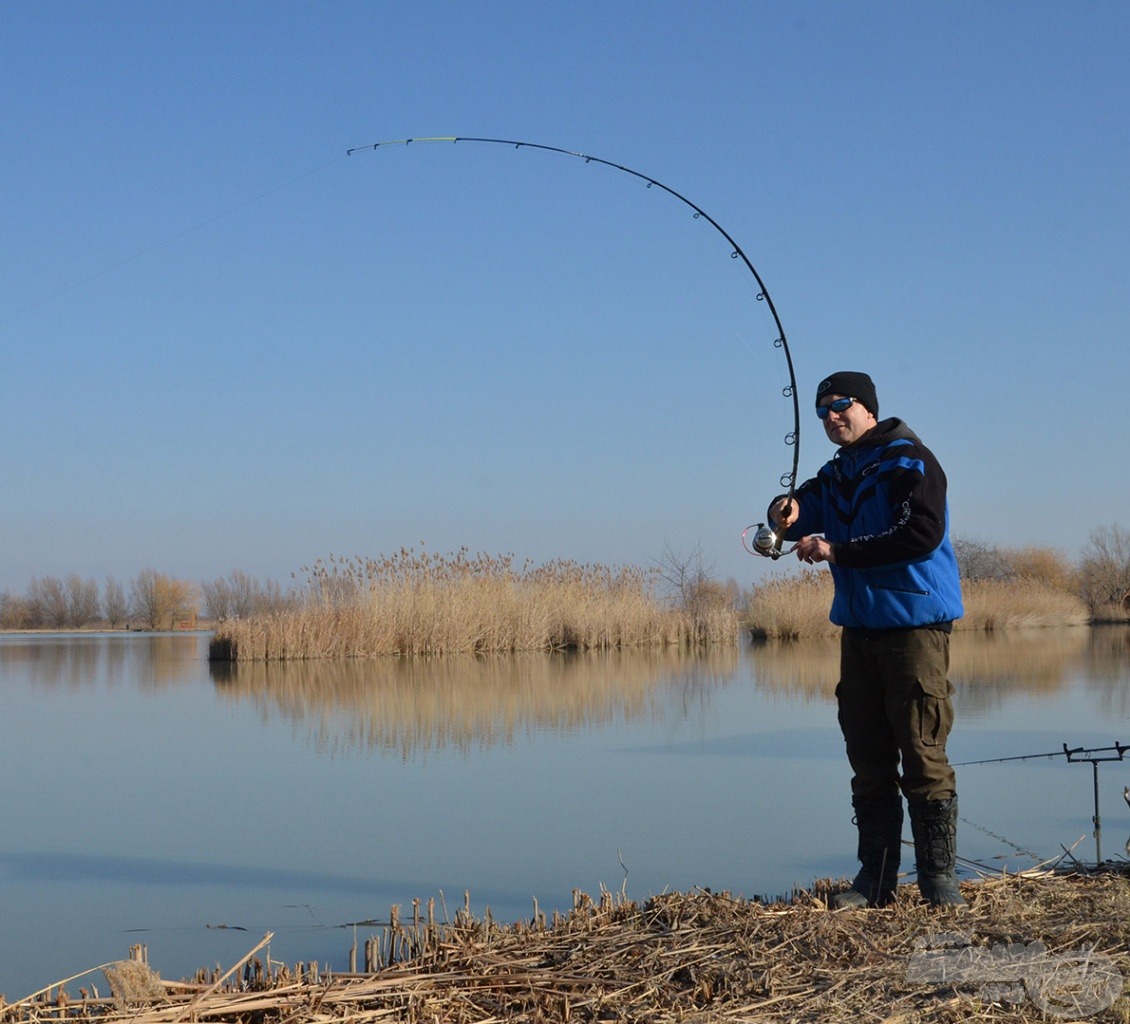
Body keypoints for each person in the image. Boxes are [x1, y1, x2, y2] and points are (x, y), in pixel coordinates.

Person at [767, 370, 966, 908]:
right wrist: (783, 515)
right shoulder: (838, 474)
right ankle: (875, 882)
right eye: (823, 411)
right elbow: (807, 502)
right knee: (868, 758)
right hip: (859, 633)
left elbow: (920, 534)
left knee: (923, 754)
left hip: (915, 629)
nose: (832, 416)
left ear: (869, 407)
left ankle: (938, 883)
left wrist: (838, 551)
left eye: (841, 405)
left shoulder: (911, 460)